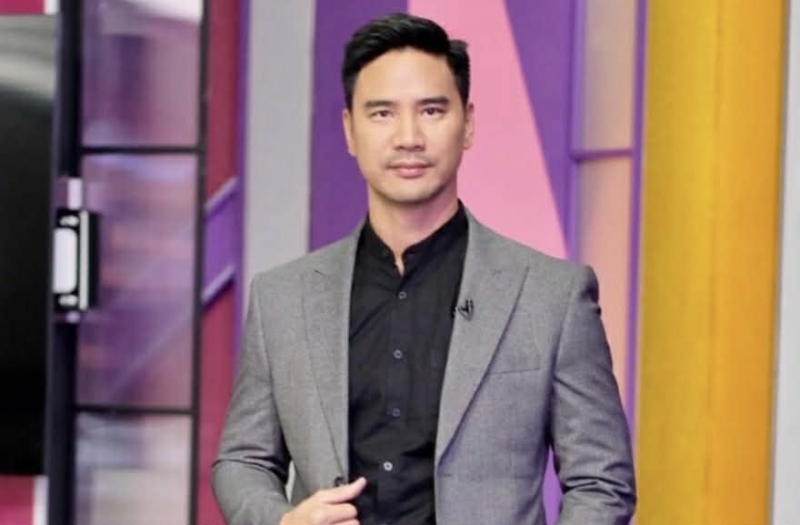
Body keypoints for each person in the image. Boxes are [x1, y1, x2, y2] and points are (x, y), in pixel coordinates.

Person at [212, 12, 635, 525]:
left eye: (432, 110)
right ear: (349, 130)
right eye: (382, 113)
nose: (408, 137)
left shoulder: (552, 296)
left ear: (468, 123)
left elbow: (600, 481)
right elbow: (243, 460)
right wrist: (283, 521)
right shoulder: (282, 298)